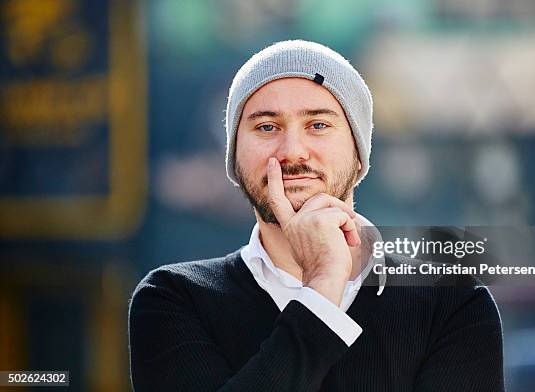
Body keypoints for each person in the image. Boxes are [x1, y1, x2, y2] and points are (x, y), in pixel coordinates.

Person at [128, 40, 504, 391]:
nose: (293, 151)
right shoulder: (174, 298)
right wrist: (322, 286)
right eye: (266, 127)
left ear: (359, 153)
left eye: (318, 125)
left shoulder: (453, 304)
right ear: (235, 158)